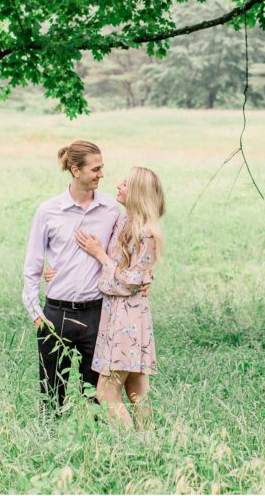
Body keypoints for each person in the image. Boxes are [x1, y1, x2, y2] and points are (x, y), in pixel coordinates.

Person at [46, 166, 165, 429]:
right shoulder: (123, 220)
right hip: (115, 314)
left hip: (128, 319)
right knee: (136, 389)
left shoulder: (145, 232)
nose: (118, 186)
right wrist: (59, 270)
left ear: (137, 192)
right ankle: (150, 446)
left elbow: (129, 281)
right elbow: (137, 272)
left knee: (106, 393)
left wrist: (100, 254)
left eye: (125, 184)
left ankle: (130, 447)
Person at [21, 140, 119, 415]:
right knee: (52, 393)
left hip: (97, 313)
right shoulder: (48, 211)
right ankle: (49, 443)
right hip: (57, 314)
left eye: (102, 168)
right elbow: (32, 267)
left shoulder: (110, 209)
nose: (101, 174)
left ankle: (96, 451)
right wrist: (37, 317)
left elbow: (122, 253)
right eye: (96, 169)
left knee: (98, 394)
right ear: (76, 170)